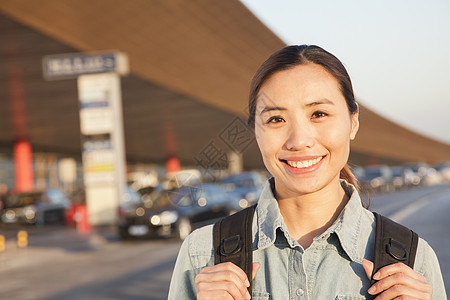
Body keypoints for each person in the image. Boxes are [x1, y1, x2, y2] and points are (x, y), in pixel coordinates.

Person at [168, 45, 446, 299]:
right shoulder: (203, 255)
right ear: (255, 130)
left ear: (353, 121)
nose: (299, 140)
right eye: (276, 119)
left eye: (319, 114)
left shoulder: (412, 260)